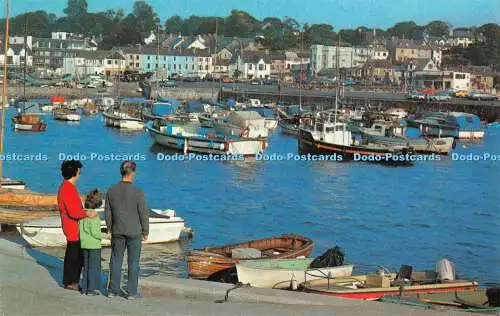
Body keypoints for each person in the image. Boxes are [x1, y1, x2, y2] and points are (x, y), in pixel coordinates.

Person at [105, 161, 149, 299]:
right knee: (133, 262)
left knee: (116, 260)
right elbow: (143, 213)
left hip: (117, 230)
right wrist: (145, 231)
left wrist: (110, 228)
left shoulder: (111, 190)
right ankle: (131, 292)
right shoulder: (138, 192)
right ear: (133, 173)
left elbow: (108, 213)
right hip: (134, 231)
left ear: (121, 172)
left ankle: (113, 290)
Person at [57, 160, 97, 291]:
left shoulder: (67, 187)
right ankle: (70, 282)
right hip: (72, 226)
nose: (80, 174)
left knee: (75, 255)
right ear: (74, 173)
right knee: (74, 256)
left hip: (72, 225)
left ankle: (71, 280)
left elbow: (74, 209)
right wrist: (88, 214)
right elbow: (73, 212)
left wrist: (84, 212)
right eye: (79, 172)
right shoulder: (67, 188)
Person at [79, 189, 104, 296]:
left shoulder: (82, 214)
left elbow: (79, 228)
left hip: (84, 243)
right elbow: (95, 233)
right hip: (94, 244)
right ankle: (91, 289)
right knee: (94, 267)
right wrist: (105, 235)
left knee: (86, 265)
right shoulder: (94, 216)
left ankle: (84, 287)